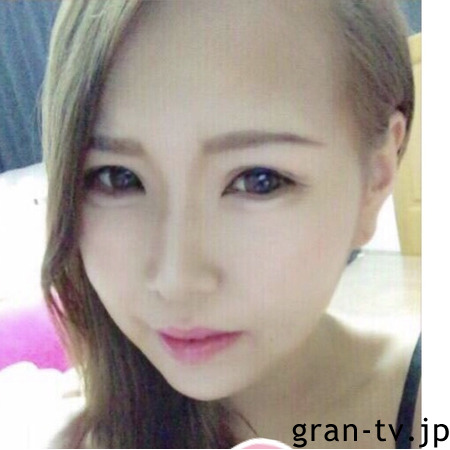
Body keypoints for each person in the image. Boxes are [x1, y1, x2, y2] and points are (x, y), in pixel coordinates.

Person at [38, 0, 419, 448]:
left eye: (258, 180)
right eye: (117, 177)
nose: (177, 282)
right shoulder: (66, 427)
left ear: (376, 178)